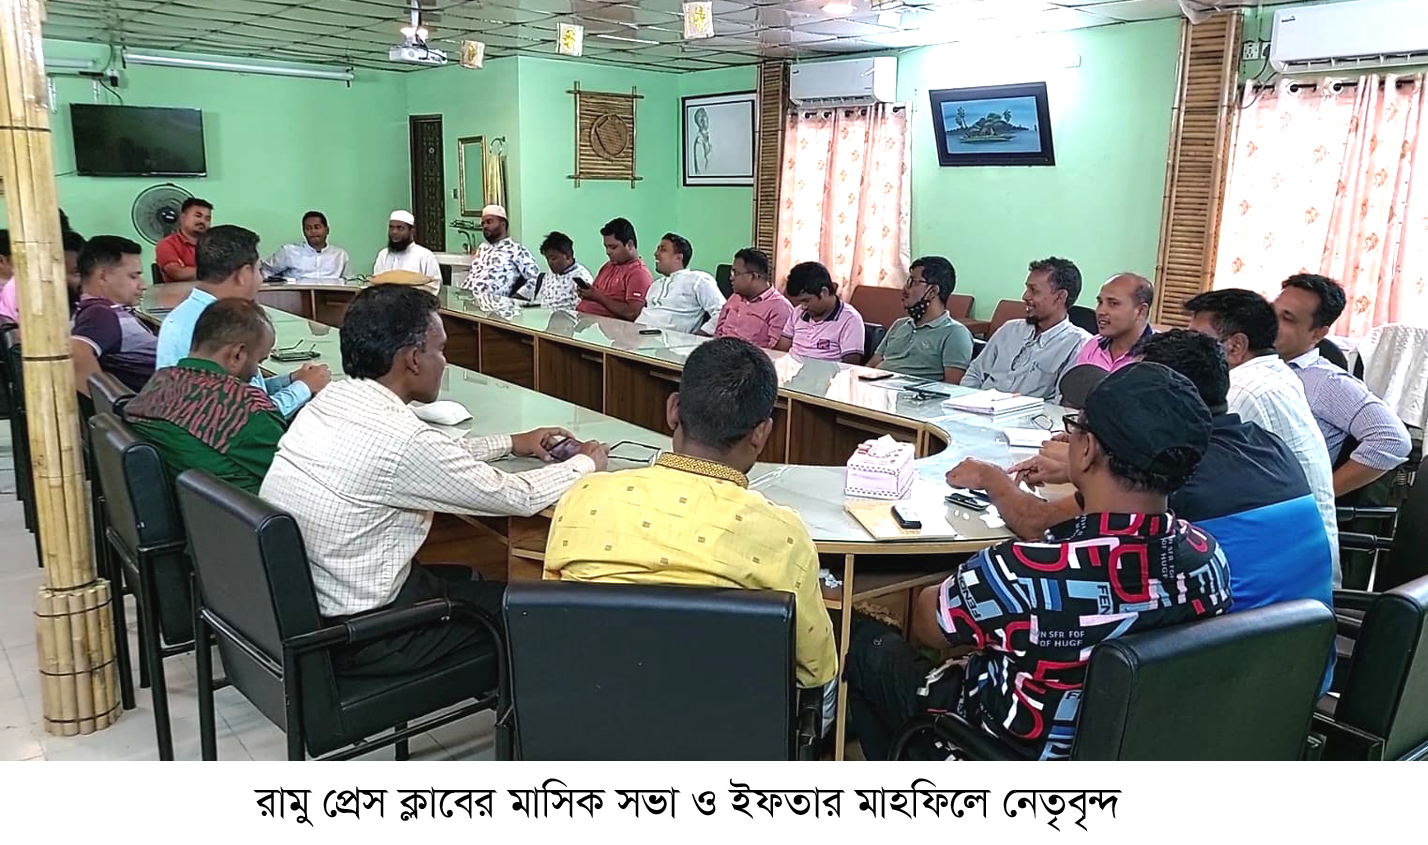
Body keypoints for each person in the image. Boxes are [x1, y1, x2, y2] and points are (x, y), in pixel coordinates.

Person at [845, 363, 1231, 761]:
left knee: (866, 642)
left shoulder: (1024, 571)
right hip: (1129, 751)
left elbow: (929, 625)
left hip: (994, 749)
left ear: (1087, 448)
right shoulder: (1208, 558)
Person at [956, 332, 1335, 694]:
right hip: (1297, 677)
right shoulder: (1268, 446)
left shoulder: (1168, 480)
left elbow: (1036, 524)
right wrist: (1081, 465)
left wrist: (993, 478)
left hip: (1206, 694)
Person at [260, 285, 609, 675]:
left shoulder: (330, 400)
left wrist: (513, 442)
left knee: (474, 579)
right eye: (440, 350)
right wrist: (585, 463)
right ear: (413, 359)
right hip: (367, 636)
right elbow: (517, 495)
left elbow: (430, 459)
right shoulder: (404, 441)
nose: (444, 361)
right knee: (538, 611)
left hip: (309, 612)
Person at [544, 337, 838, 723]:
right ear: (761, 432)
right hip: (728, 735)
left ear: (673, 409)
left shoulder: (584, 497)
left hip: (588, 725)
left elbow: (554, 625)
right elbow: (815, 672)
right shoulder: (784, 536)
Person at [1185, 288, 1341, 585]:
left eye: (1198, 341)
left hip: (1280, 578)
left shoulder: (1239, 390)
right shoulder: (1277, 373)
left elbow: (1181, 478)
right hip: (1304, 565)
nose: (1187, 350)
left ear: (1235, 346)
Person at [157, 225, 329, 418]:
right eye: (258, 270)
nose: (260, 279)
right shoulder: (221, 326)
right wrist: (304, 387)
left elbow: (247, 393)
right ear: (243, 274)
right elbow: (249, 416)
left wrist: (291, 380)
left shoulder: (181, 316)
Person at [125, 298, 284, 494]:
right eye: (259, 361)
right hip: (245, 510)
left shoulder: (159, 382)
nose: (255, 371)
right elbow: (296, 476)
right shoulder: (248, 409)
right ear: (237, 354)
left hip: (191, 507)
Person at [1274, 273, 1410, 496]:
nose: (1271, 323)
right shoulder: (1254, 364)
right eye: (1272, 312)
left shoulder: (1325, 381)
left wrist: (1320, 496)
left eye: (1287, 318)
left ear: (1318, 333)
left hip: (1275, 503)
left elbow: (1393, 439)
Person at [960, 257, 1090, 399]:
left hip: (1029, 413)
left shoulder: (1078, 344)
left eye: (1034, 290)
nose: (1025, 296)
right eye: (1027, 288)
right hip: (979, 407)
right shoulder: (1009, 329)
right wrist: (965, 402)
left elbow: (1060, 402)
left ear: (1060, 296)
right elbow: (975, 373)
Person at [70, 236, 157, 394]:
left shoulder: (95, 310)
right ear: (103, 277)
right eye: (133, 276)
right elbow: (77, 353)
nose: (143, 285)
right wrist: (109, 405)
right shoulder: (100, 314)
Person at [866, 256, 973, 383]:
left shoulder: (955, 333)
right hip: (877, 389)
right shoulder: (899, 325)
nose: (905, 289)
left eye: (913, 282)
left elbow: (952, 386)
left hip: (912, 393)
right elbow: (872, 366)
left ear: (932, 291)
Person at [775, 261, 866, 364]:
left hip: (828, 373)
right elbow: (780, 352)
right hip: (793, 370)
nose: (803, 307)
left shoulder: (850, 320)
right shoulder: (797, 313)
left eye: (806, 300)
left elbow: (850, 367)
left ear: (824, 292)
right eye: (800, 302)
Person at [637, 232, 726, 334]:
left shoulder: (697, 280)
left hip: (669, 341)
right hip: (636, 334)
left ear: (678, 258)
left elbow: (722, 312)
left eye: (663, 250)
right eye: (657, 249)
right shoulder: (656, 285)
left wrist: (699, 336)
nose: (656, 254)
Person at [1071, 272, 1154, 373]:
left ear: (1141, 311)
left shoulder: (1160, 355)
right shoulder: (1093, 346)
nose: (1101, 311)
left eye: (1113, 303)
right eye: (1100, 302)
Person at [713, 247, 794, 349]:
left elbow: (775, 353)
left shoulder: (780, 307)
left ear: (754, 276)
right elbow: (718, 333)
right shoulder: (735, 297)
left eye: (736, 273)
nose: (731, 278)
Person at [576, 217, 653, 321]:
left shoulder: (638, 273)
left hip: (613, 329)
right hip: (586, 323)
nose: (608, 252)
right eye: (606, 247)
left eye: (613, 247)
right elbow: (595, 295)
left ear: (629, 245)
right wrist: (587, 293)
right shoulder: (608, 266)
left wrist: (598, 296)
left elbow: (632, 313)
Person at [464, 204, 540, 298]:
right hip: (466, 299)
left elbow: (536, 279)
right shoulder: (482, 248)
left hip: (492, 304)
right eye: (483, 223)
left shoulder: (516, 250)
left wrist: (516, 298)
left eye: (489, 222)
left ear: (503, 224)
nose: (485, 226)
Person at [514, 231, 592, 311]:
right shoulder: (550, 274)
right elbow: (540, 300)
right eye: (547, 259)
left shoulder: (581, 276)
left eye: (553, 259)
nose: (549, 263)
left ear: (568, 256)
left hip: (565, 316)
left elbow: (582, 310)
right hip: (542, 314)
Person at [261, 211, 350, 281]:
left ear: (327, 230)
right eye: (308, 228)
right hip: (296, 296)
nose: (313, 231)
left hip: (331, 297)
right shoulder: (289, 251)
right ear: (304, 232)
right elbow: (266, 270)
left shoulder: (340, 255)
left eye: (317, 227)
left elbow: (349, 281)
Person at [373, 210, 441, 290]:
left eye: (400, 228)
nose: (394, 232)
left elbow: (433, 286)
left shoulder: (425, 256)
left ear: (412, 231)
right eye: (391, 227)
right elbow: (376, 282)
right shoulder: (383, 255)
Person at [155, 198, 212, 283]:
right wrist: (215, 272)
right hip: (180, 291)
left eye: (207, 219)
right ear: (183, 217)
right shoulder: (167, 244)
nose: (202, 221)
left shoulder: (214, 244)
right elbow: (178, 273)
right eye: (198, 216)